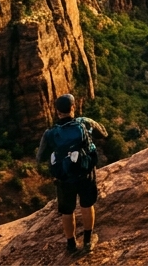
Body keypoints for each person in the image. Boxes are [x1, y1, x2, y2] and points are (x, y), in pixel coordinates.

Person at [36, 94, 108, 254]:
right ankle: (88, 241)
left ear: (57, 111)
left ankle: (71, 245)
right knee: (87, 205)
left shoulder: (50, 133)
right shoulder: (84, 123)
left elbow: (39, 157)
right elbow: (103, 133)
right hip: (85, 173)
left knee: (67, 211)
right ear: (73, 108)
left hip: (64, 178)